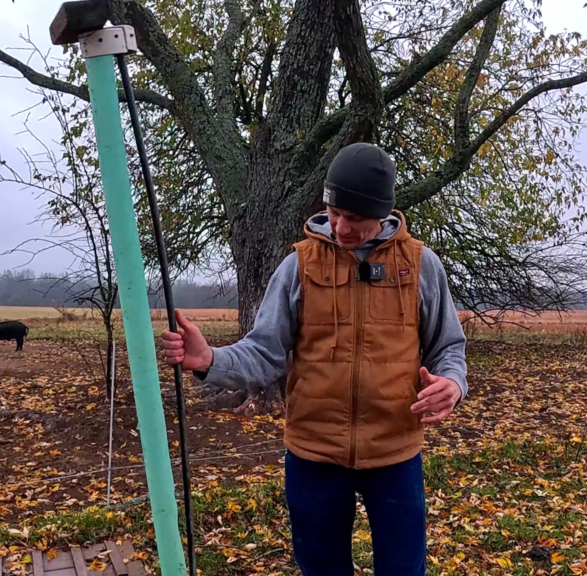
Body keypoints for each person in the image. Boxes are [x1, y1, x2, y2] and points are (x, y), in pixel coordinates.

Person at [160, 142, 468, 576]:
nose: (341, 227)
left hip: (396, 455)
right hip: (313, 456)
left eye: (355, 218)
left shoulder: (420, 266)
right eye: (334, 211)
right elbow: (264, 353)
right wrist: (209, 359)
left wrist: (452, 385)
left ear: (383, 212)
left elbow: (449, 348)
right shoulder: (298, 266)